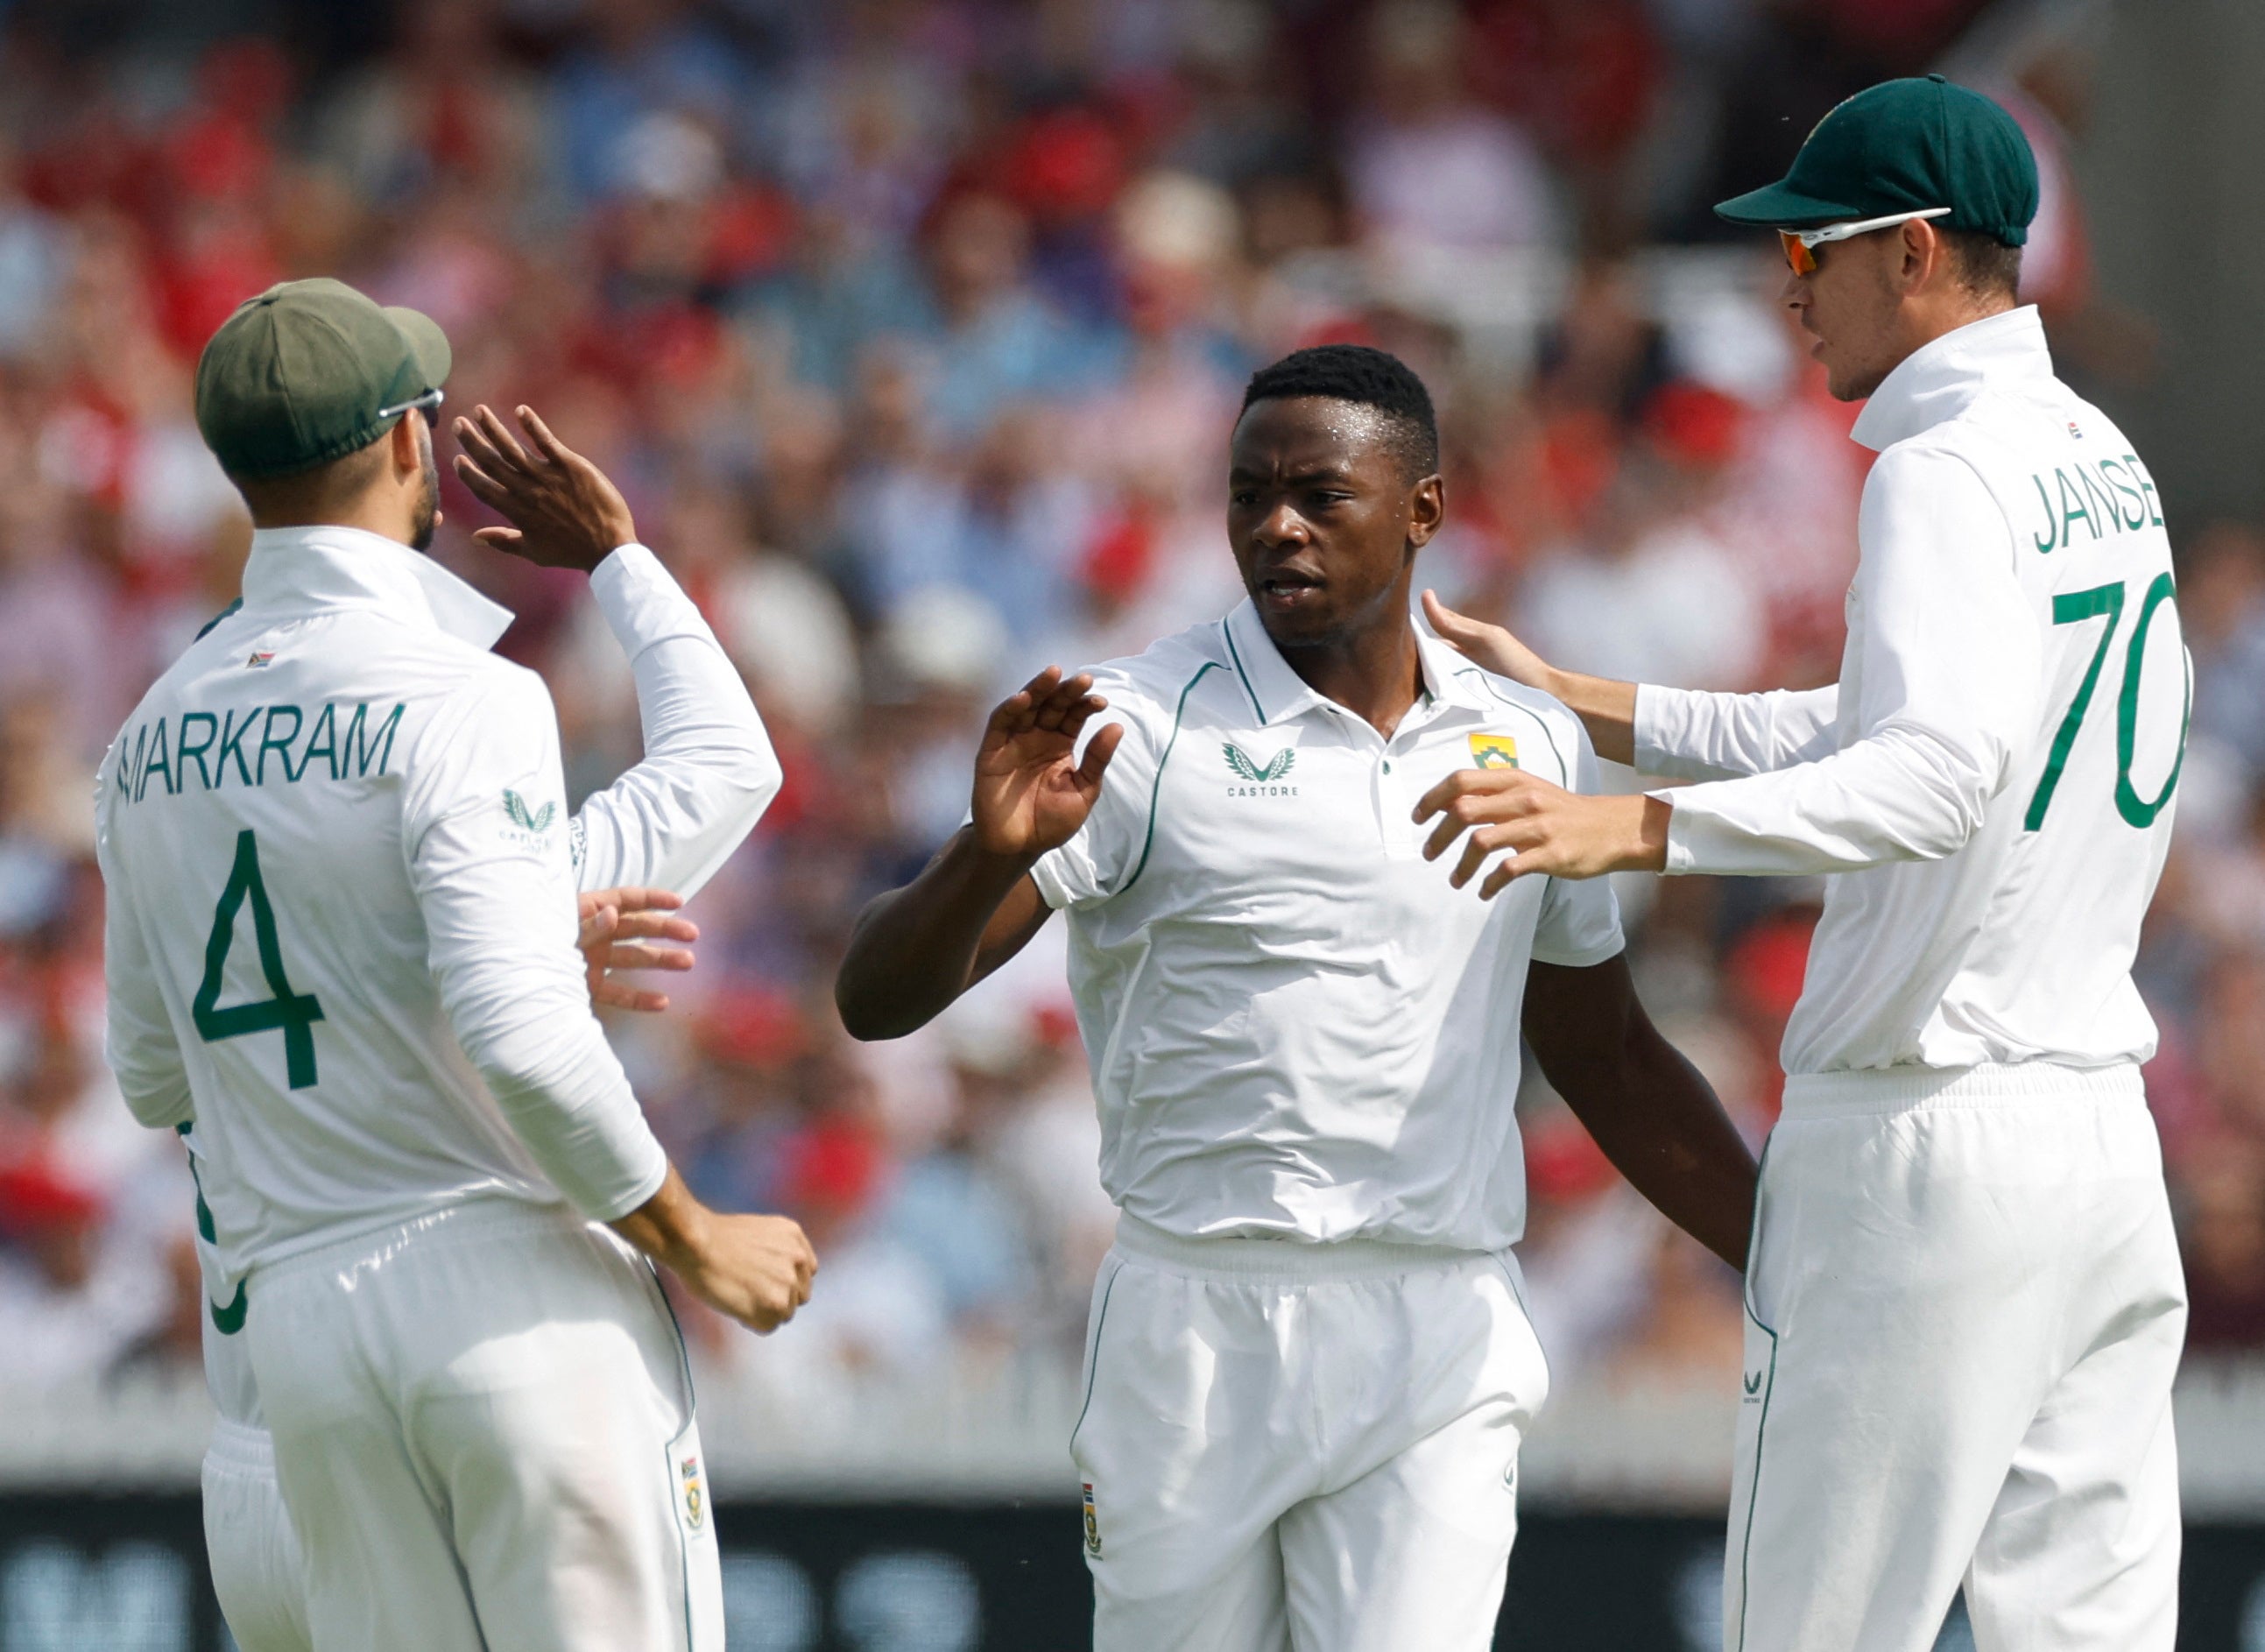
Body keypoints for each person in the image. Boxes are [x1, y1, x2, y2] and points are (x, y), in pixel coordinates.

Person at [832, 342, 1757, 1651]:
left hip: (1436, 1324)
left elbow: (1603, 1050)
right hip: (1195, 1324)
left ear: (1422, 511)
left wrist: (1783, 1257)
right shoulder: (1131, 725)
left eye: (1320, 495)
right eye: (1247, 493)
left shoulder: (1527, 736)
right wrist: (988, 847)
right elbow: (878, 1000)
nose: (1276, 526)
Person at [1420, 77, 2188, 1652]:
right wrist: (1598, 706)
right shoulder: (2090, 451)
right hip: (2095, 1148)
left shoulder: (1938, 468)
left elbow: (1925, 774)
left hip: (1925, 1147)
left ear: (1912, 253)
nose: (1787, 289)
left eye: (1812, 253)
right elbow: (1892, 722)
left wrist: (1628, 826)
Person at [96, 279, 817, 1652]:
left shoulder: (142, 741)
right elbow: (522, 1028)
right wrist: (696, 1235)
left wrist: (450, 945)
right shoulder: (462, 697)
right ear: (411, 443)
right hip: (506, 1286)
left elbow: (150, 1074)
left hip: (298, 1344)